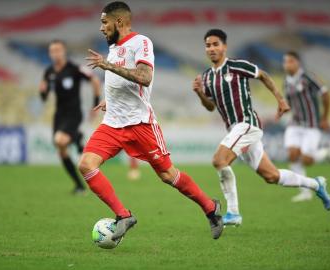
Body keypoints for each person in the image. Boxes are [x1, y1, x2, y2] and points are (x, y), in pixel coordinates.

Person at [79, 1, 224, 240]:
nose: (101, 28)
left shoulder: (141, 42)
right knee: (86, 165)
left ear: (119, 22)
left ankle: (210, 208)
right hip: (113, 123)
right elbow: (121, 82)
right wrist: (110, 99)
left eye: (104, 22)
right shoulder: (114, 48)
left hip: (140, 124)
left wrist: (107, 65)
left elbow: (144, 77)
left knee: (168, 175)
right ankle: (124, 215)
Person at [191, 29, 330, 226]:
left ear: (224, 47)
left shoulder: (237, 66)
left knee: (219, 160)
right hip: (234, 130)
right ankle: (316, 184)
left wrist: (280, 100)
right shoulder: (206, 77)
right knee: (271, 176)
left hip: (247, 124)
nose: (212, 48)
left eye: (216, 44)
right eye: (208, 45)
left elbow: (263, 75)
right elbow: (210, 106)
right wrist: (199, 93)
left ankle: (233, 213)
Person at [40, 40, 101, 194]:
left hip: (73, 113)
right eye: (52, 51)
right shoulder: (49, 72)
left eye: (58, 50)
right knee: (61, 148)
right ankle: (79, 185)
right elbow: (44, 96)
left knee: (60, 140)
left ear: (64, 51)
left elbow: (94, 80)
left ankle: (76, 137)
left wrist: (95, 103)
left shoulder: (74, 69)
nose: (56, 53)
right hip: (59, 114)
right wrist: (43, 91)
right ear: (50, 53)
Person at [283, 51, 330, 202]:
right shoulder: (286, 82)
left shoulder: (308, 77)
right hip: (295, 124)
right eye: (285, 61)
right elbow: (289, 103)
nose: (287, 64)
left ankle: (326, 152)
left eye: (290, 61)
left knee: (307, 160)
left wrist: (325, 118)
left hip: (312, 124)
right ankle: (305, 193)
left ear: (298, 63)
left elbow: (325, 94)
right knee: (292, 155)